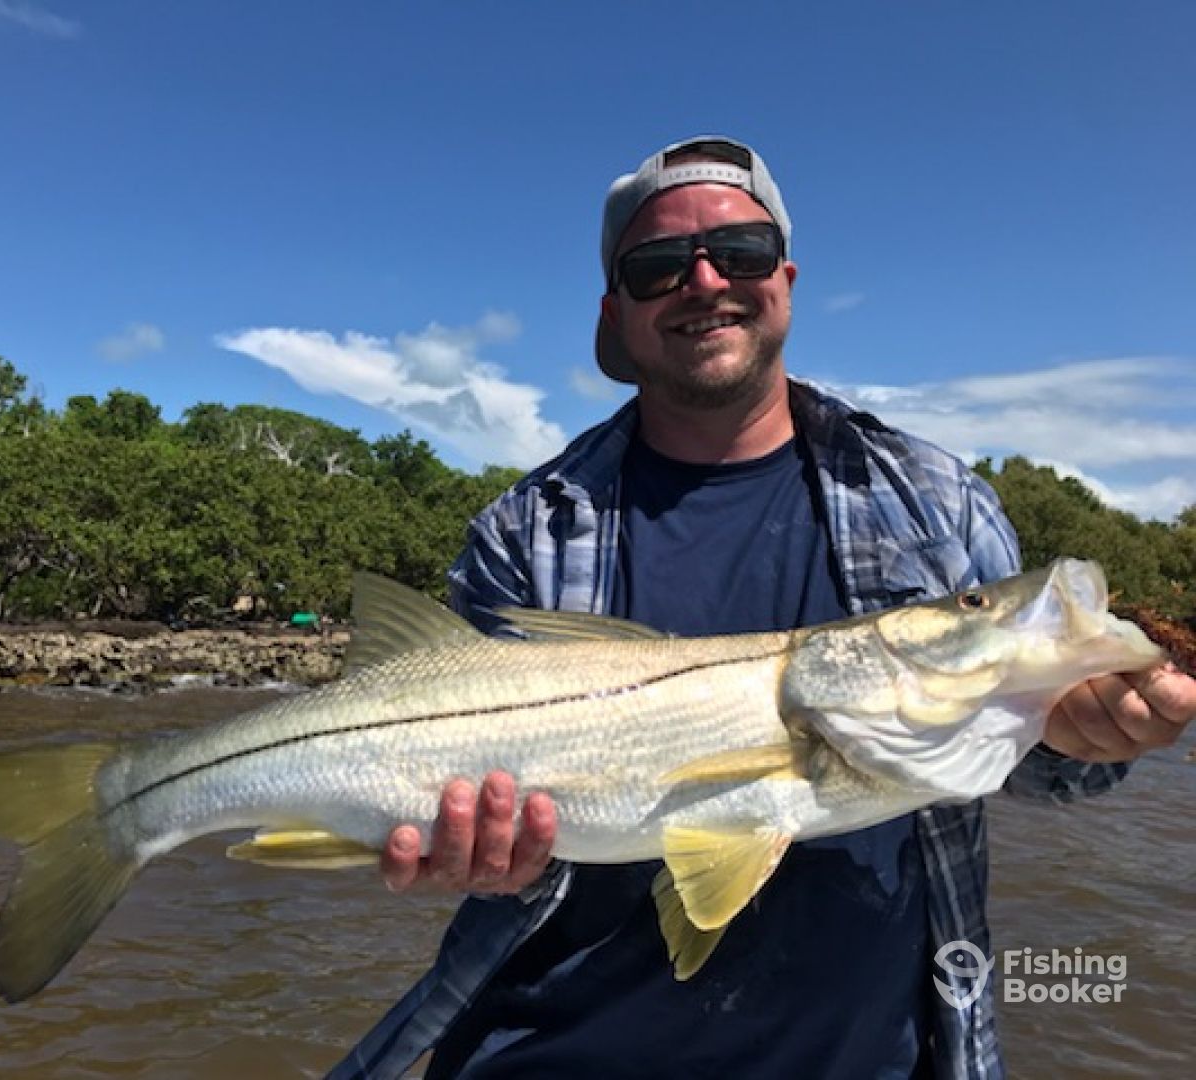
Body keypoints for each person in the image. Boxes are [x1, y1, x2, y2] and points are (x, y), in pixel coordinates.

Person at [329, 136, 1196, 1079]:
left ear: (785, 277)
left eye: (739, 252)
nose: (705, 281)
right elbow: (454, 789)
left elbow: (1029, 769)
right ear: (616, 312)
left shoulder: (938, 501)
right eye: (659, 266)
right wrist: (471, 855)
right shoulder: (525, 530)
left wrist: (1082, 735)